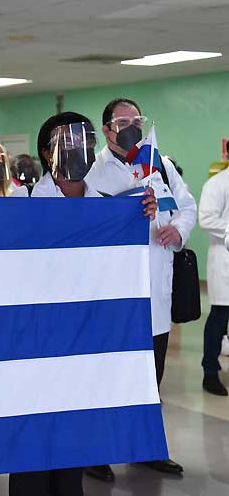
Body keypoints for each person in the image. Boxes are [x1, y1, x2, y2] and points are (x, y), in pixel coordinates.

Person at [8, 111, 157, 496]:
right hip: (34, 340)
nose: (82, 150)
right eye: (70, 143)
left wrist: (142, 215)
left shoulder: (108, 205)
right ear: (46, 152)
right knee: (32, 442)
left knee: (72, 437)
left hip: (81, 342)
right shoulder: (22, 201)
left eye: (87, 142)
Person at [85, 97, 196, 480]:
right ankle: (94, 451)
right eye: (122, 121)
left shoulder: (158, 165)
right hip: (112, 297)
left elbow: (188, 206)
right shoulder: (92, 173)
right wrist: (129, 211)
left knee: (151, 378)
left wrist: (176, 229)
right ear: (107, 130)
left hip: (155, 293)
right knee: (106, 377)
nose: (132, 126)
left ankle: (144, 447)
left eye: (137, 119)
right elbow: (86, 226)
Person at [198, 166, 229, 395]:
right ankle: (210, 372)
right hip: (224, 261)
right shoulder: (217, 184)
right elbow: (206, 218)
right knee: (219, 318)